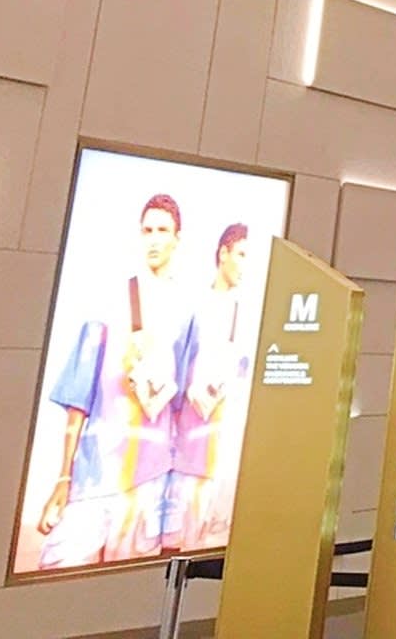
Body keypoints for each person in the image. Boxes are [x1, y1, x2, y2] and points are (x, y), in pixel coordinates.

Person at [35, 193, 196, 568]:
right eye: (147, 230)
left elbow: (182, 406)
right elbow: (79, 395)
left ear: (177, 238)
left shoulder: (186, 311)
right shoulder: (109, 301)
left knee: (132, 586)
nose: (154, 239)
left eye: (163, 231)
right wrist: (63, 477)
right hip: (97, 474)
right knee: (60, 568)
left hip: (152, 477)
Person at [166, 222, 253, 551]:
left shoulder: (247, 313)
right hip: (190, 447)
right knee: (181, 540)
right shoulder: (194, 305)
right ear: (223, 253)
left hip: (226, 452)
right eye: (241, 254)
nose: (245, 265)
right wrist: (189, 389)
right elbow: (175, 364)